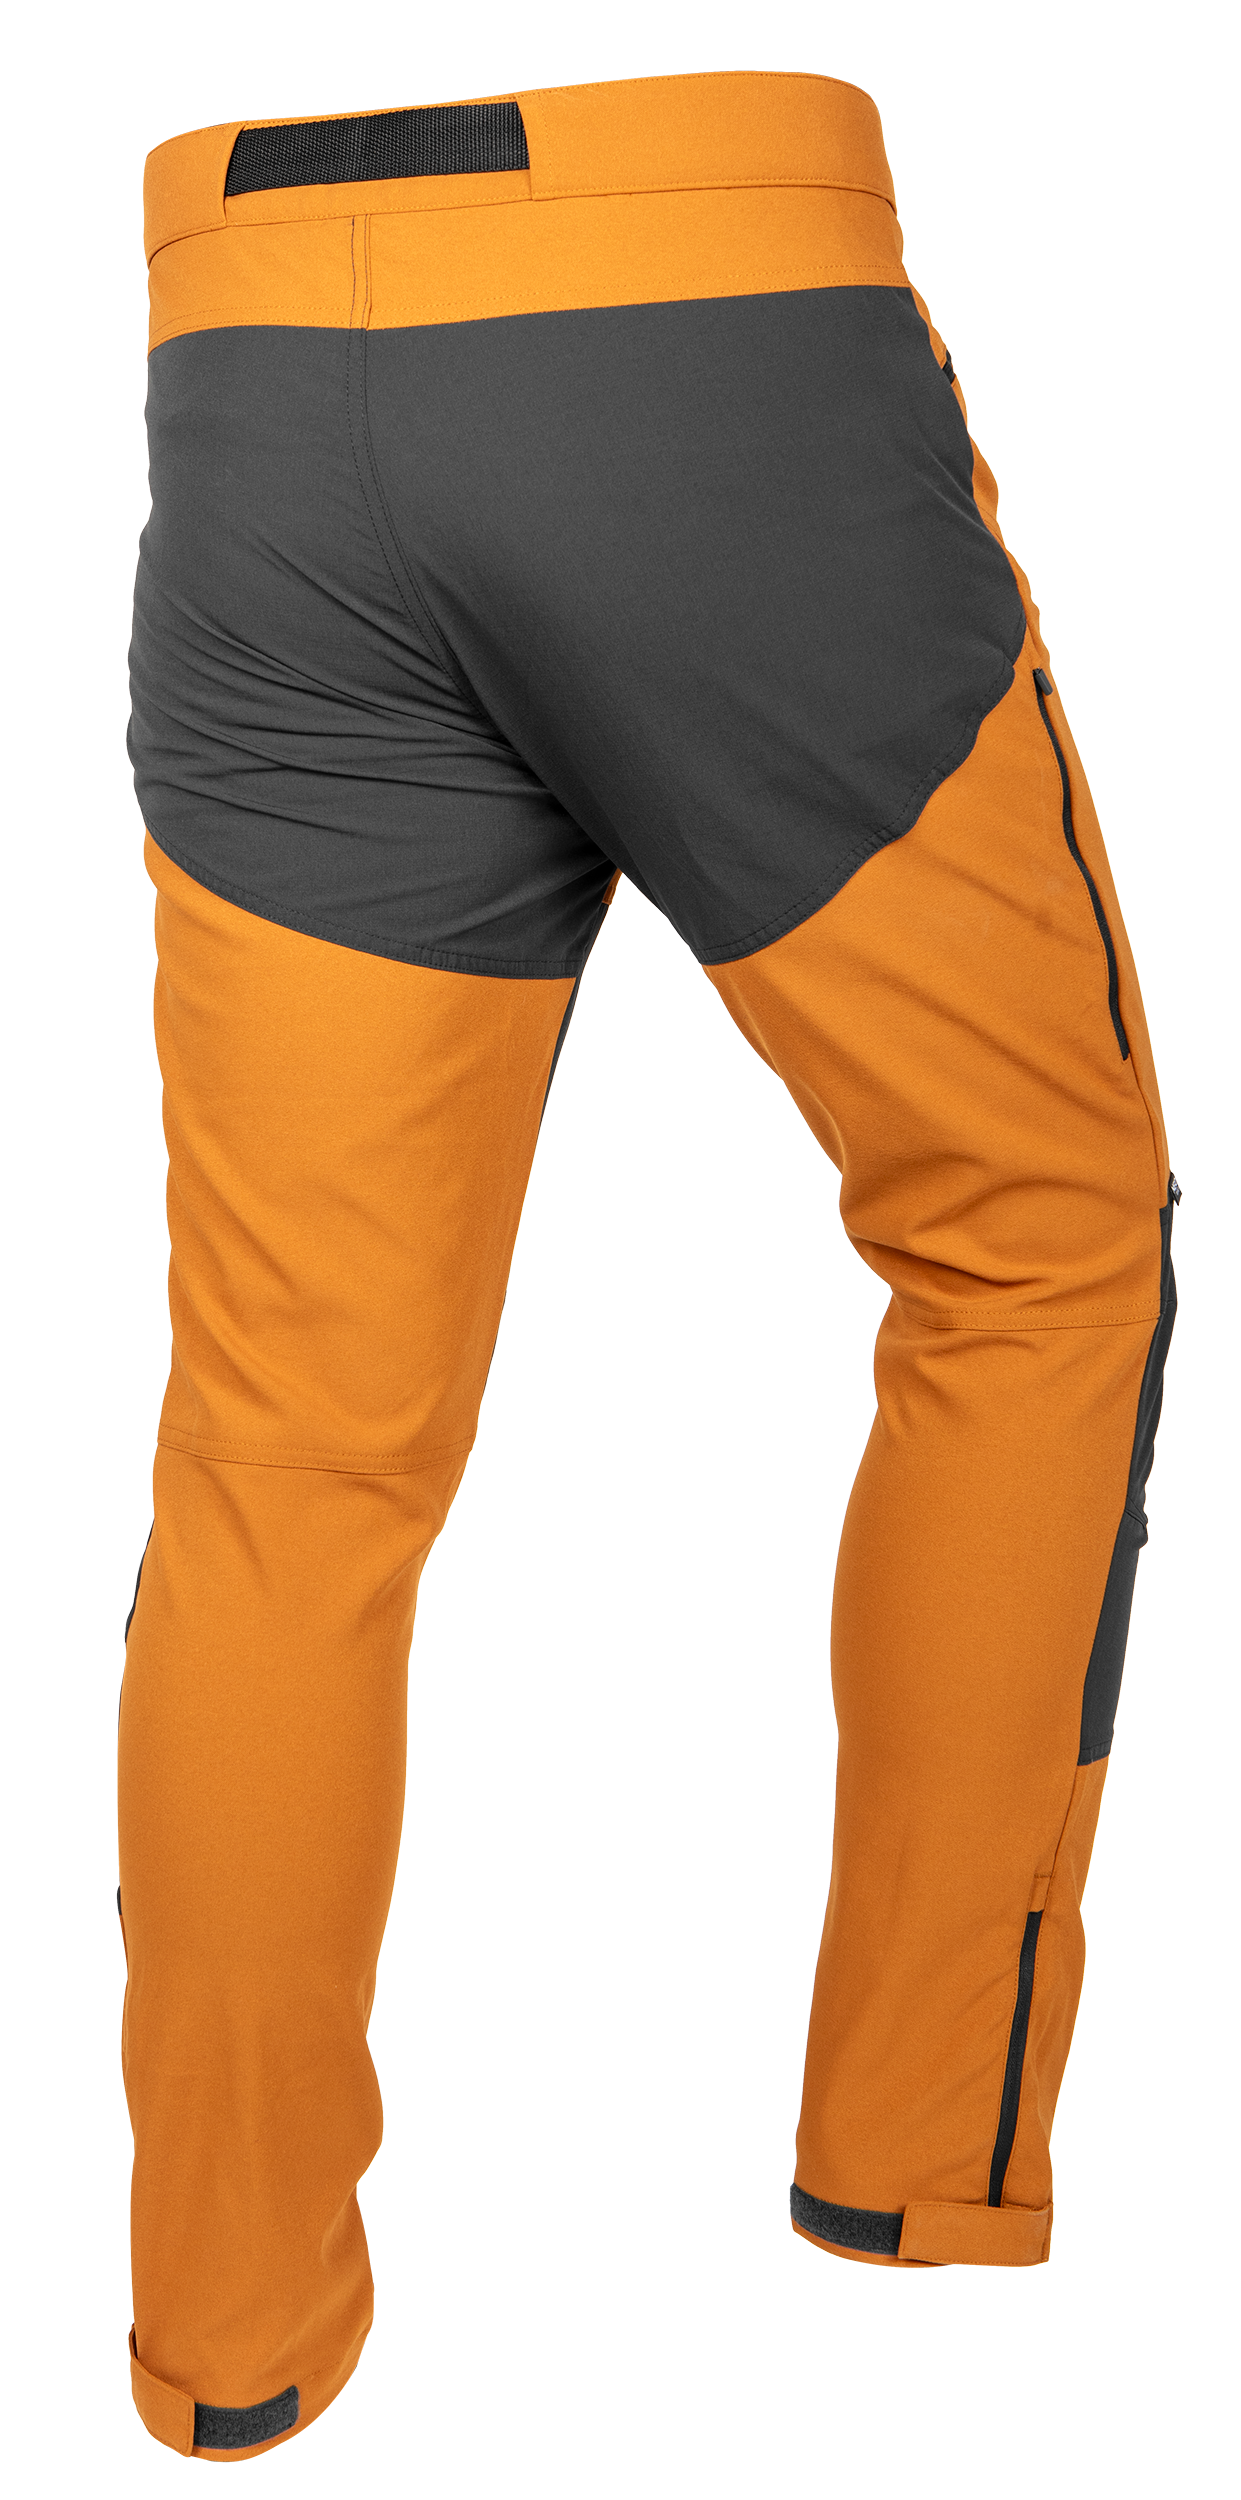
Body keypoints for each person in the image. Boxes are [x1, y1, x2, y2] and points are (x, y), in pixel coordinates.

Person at [119, 68, 1177, 2465]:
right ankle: (921, 2252)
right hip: (704, 301)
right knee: (1034, 1234)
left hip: (252, 349)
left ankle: (235, 2339)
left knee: (283, 1445)